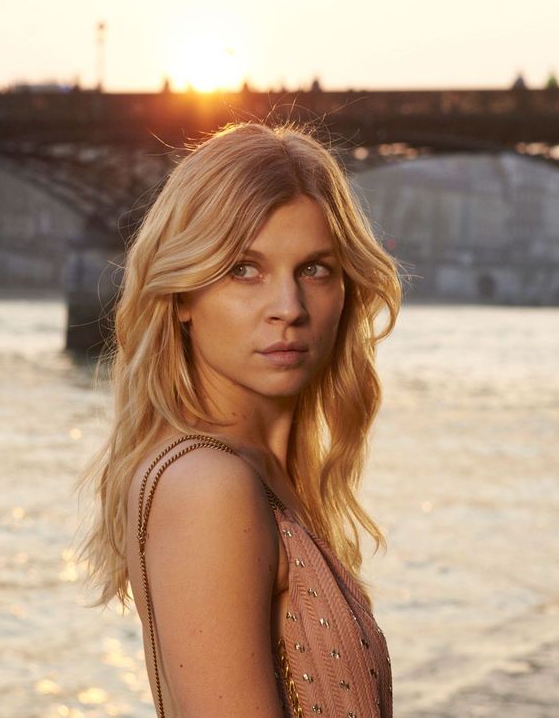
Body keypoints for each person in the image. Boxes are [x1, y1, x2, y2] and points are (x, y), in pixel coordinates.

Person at [75, 122, 401, 717]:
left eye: (315, 270)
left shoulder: (248, 475)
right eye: (244, 270)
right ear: (181, 298)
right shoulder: (210, 486)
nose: (288, 309)